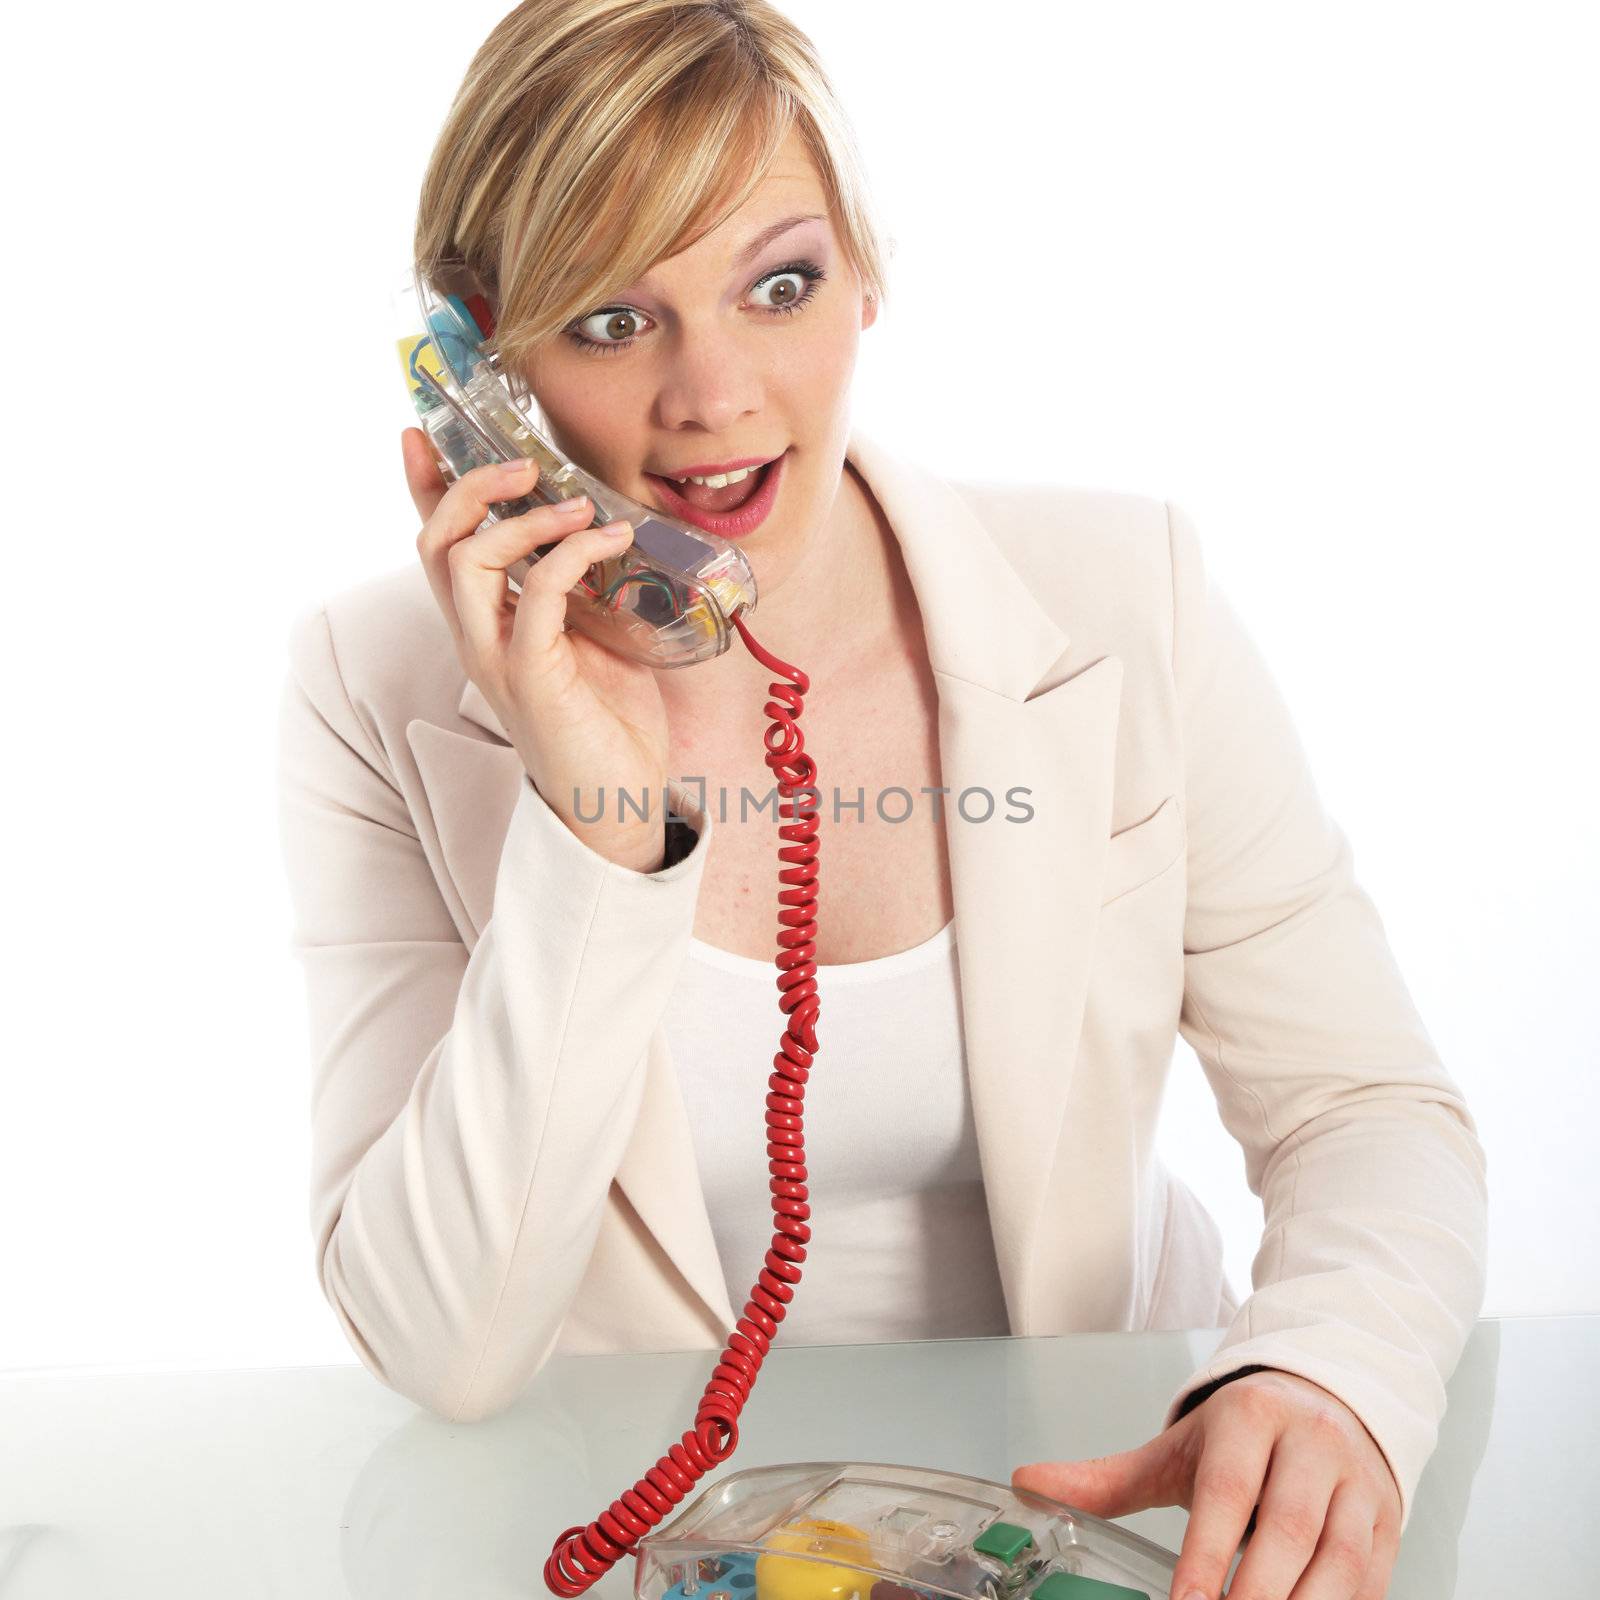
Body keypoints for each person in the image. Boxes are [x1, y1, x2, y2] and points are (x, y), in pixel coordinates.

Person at [274, 4, 1488, 1597]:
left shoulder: (1128, 595)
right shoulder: (370, 684)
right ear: (477, 372)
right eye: (613, 321)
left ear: (865, 273)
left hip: (1087, 1501)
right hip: (651, 1534)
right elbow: (446, 1345)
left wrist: (1325, 1368)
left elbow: (1367, 1111)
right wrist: (596, 820)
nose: (715, 395)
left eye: (777, 285)